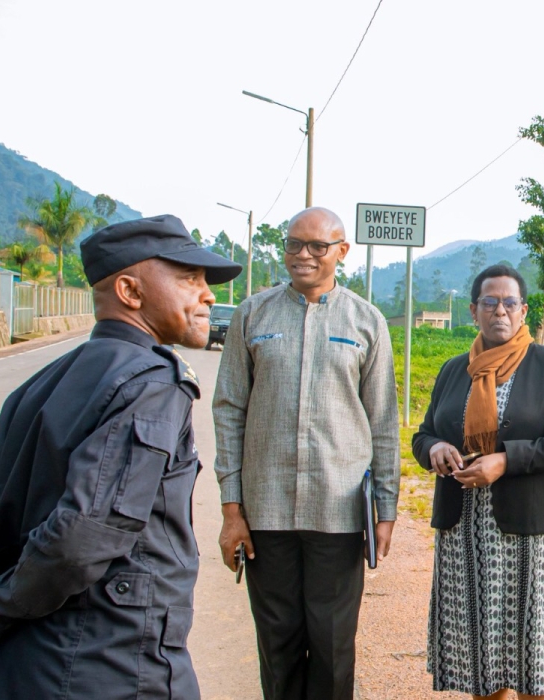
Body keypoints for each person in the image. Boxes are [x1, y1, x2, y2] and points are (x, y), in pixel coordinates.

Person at [0, 215, 241, 700]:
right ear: (130, 292)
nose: (208, 295)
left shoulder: (38, 387)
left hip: (17, 672)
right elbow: (85, 534)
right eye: (189, 279)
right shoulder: (154, 384)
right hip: (111, 672)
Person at [212, 207, 400, 700]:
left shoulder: (366, 322)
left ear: (342, 251)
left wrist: (387, 511)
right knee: (277, 643)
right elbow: (229, 410)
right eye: (294, 244)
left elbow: (382, 423)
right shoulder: (253, 314)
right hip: (266, 511)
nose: (303, 255)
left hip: (338, 514)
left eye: (318, 246)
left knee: (334, 643)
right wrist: (232, 512)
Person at [412, 264, 544, 699]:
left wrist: (505, 461)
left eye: (510, 302)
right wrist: (434, 449)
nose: (500, 311)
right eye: (490, 302)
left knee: (532, 659)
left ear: (524, 311)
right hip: (465, 533)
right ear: (474, 310)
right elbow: (424, 433)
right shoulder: (456, 370)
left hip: (530, 531)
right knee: (481, 659)